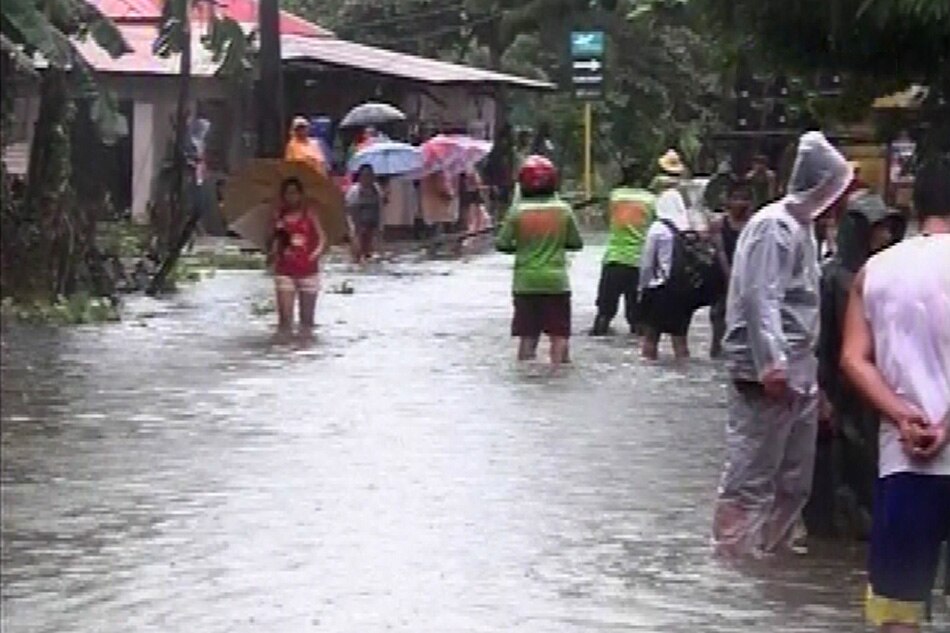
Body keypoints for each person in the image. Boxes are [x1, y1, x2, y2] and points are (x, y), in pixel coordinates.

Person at [711, 131, 853, 557]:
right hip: (766, 370)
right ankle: (731, 559)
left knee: (793, 481)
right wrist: (771, 363)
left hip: (799, 369)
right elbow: (760, 297)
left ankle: (771, 562)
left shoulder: (804, 230)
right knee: (751, 475)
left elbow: (800, 309)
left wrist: (812, 381)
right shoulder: (775, 227)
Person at [841, 156, 950, 633]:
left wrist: (904, 416)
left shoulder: (875, 271)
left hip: (905, 463)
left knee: (897, 610)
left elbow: (852, 359)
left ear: (915, 203)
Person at [805, 191, 905, 538]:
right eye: (878, 229)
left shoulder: (892, 275)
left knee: (873, 471)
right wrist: (821, 395)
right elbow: (820, 341)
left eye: (890, 229)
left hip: (879, 391)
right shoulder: (832, 278)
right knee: (837, 474)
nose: (886, 237)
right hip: (840, 389)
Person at [496, 155, 583, 369]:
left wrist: (524, 247)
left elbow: (502, 244)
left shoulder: (517, 211)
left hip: (525, 283)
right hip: (556, 282)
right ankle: (559, 377)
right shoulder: (563, 210)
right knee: (559, 335)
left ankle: (527, 380)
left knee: (528, 336)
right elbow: (576, 243)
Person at [638, 149, 696, 360]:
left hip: (660, 290)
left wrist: (642, 289)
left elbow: (646, 266)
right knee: (680, 341)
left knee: (650, 340)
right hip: (682, 290)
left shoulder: (658, 229)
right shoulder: (687, 228)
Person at [591, 161, 656, 336]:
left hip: (613, 260)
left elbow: (607, 220)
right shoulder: (651, 200)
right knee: (637, 318)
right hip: (638, 262)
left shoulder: (615, 196)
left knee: (604, 312)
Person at [271, 177, 327, 337]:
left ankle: (304, 354)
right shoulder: (278, 216)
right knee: (284, 322)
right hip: (285, 271)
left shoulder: (310, 214)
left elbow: (322, 238)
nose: (291, 196)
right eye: (288, 193)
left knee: (307, 322)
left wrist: (315, 253)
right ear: (283, 195)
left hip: (308, 270)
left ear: (301, 194)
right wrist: (276, 230)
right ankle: (285, 353)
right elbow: (272, 244)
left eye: (295, 193)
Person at [708, 177, 754, 358]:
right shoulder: (719, 224)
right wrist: (731, 279)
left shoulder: (754, 224)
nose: (740, 203)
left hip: (747, 278)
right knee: (719, 318)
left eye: (744, 199)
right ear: (727, 202)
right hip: (722, 276)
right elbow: (720, 252)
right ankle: (716, 353)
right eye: (736, 199)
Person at [345, 165, 385, 264]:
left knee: (370, 249)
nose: (368, 179)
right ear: (360, 177)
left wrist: (379, 228)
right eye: (365, 176)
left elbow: (379, 208)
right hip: (358, 221)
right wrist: (356, 229)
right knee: (358, 248)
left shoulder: (376, 189)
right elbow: (351, 212)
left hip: (372, 221)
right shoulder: (354, 192)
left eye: (370, 175)